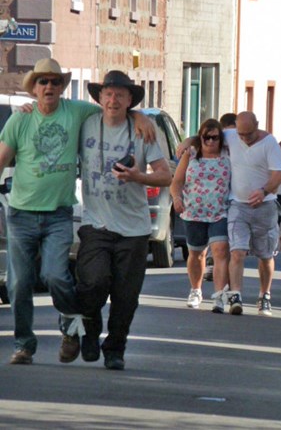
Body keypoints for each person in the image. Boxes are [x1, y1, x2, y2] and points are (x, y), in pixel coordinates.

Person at [0, 58, 100, 365]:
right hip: (21, 214)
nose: (49, 87)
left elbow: (113, 111)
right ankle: (24, 345)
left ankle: (69, 324)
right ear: (34, 88)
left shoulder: (77, 111)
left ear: (62, 87)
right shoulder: (20, 120)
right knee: (18, 284)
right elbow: (2, 157)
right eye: (43, 82)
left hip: (58, 213)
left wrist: (141, 120)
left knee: (56, 275)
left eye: (55, 82)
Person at [75, 71, 171, 370]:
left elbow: (165, 174)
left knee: (126, 296)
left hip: (134, 229)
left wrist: (138, 177)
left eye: (120, 94)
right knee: (92, 282)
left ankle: (115, 348)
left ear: (130, 100)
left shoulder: (144, 129)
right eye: (108, 93)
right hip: (96, 223)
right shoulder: (86, 122)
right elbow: (52, 112)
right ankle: (90, 333)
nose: (113, 99)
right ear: (99, 97)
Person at [225, 111, 281, 316]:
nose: (244, 138)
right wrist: (187, 142)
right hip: (238, 206)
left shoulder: (270, 143)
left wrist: (264, 191)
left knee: (265, 255)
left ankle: (264, 295)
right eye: (241, 134)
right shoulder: (231, 135)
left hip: (265, 207)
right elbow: (206, 133)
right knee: (237, 251)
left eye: (248, 134)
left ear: (257, 126)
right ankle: (236, 296)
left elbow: (278, 174)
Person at [170, 119, 230, 312]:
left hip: (221, 212)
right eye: (206, 137)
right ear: (200, 138)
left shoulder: (228, 155)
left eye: (215, 138)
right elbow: (177, 181)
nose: (211, 142)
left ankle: (220, 295)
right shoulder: (191, 155)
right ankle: (196, 290)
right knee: (196, 253)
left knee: (220, 251)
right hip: (194, 212)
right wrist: (176, 198)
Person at [203, 112, 237, 282]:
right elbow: (203, 135)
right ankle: (212, 263)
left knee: (229, 246)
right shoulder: (217, 145)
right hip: (216, 203)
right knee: (220, 245)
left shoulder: (239, 145)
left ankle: (228, 287)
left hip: (235, 201)